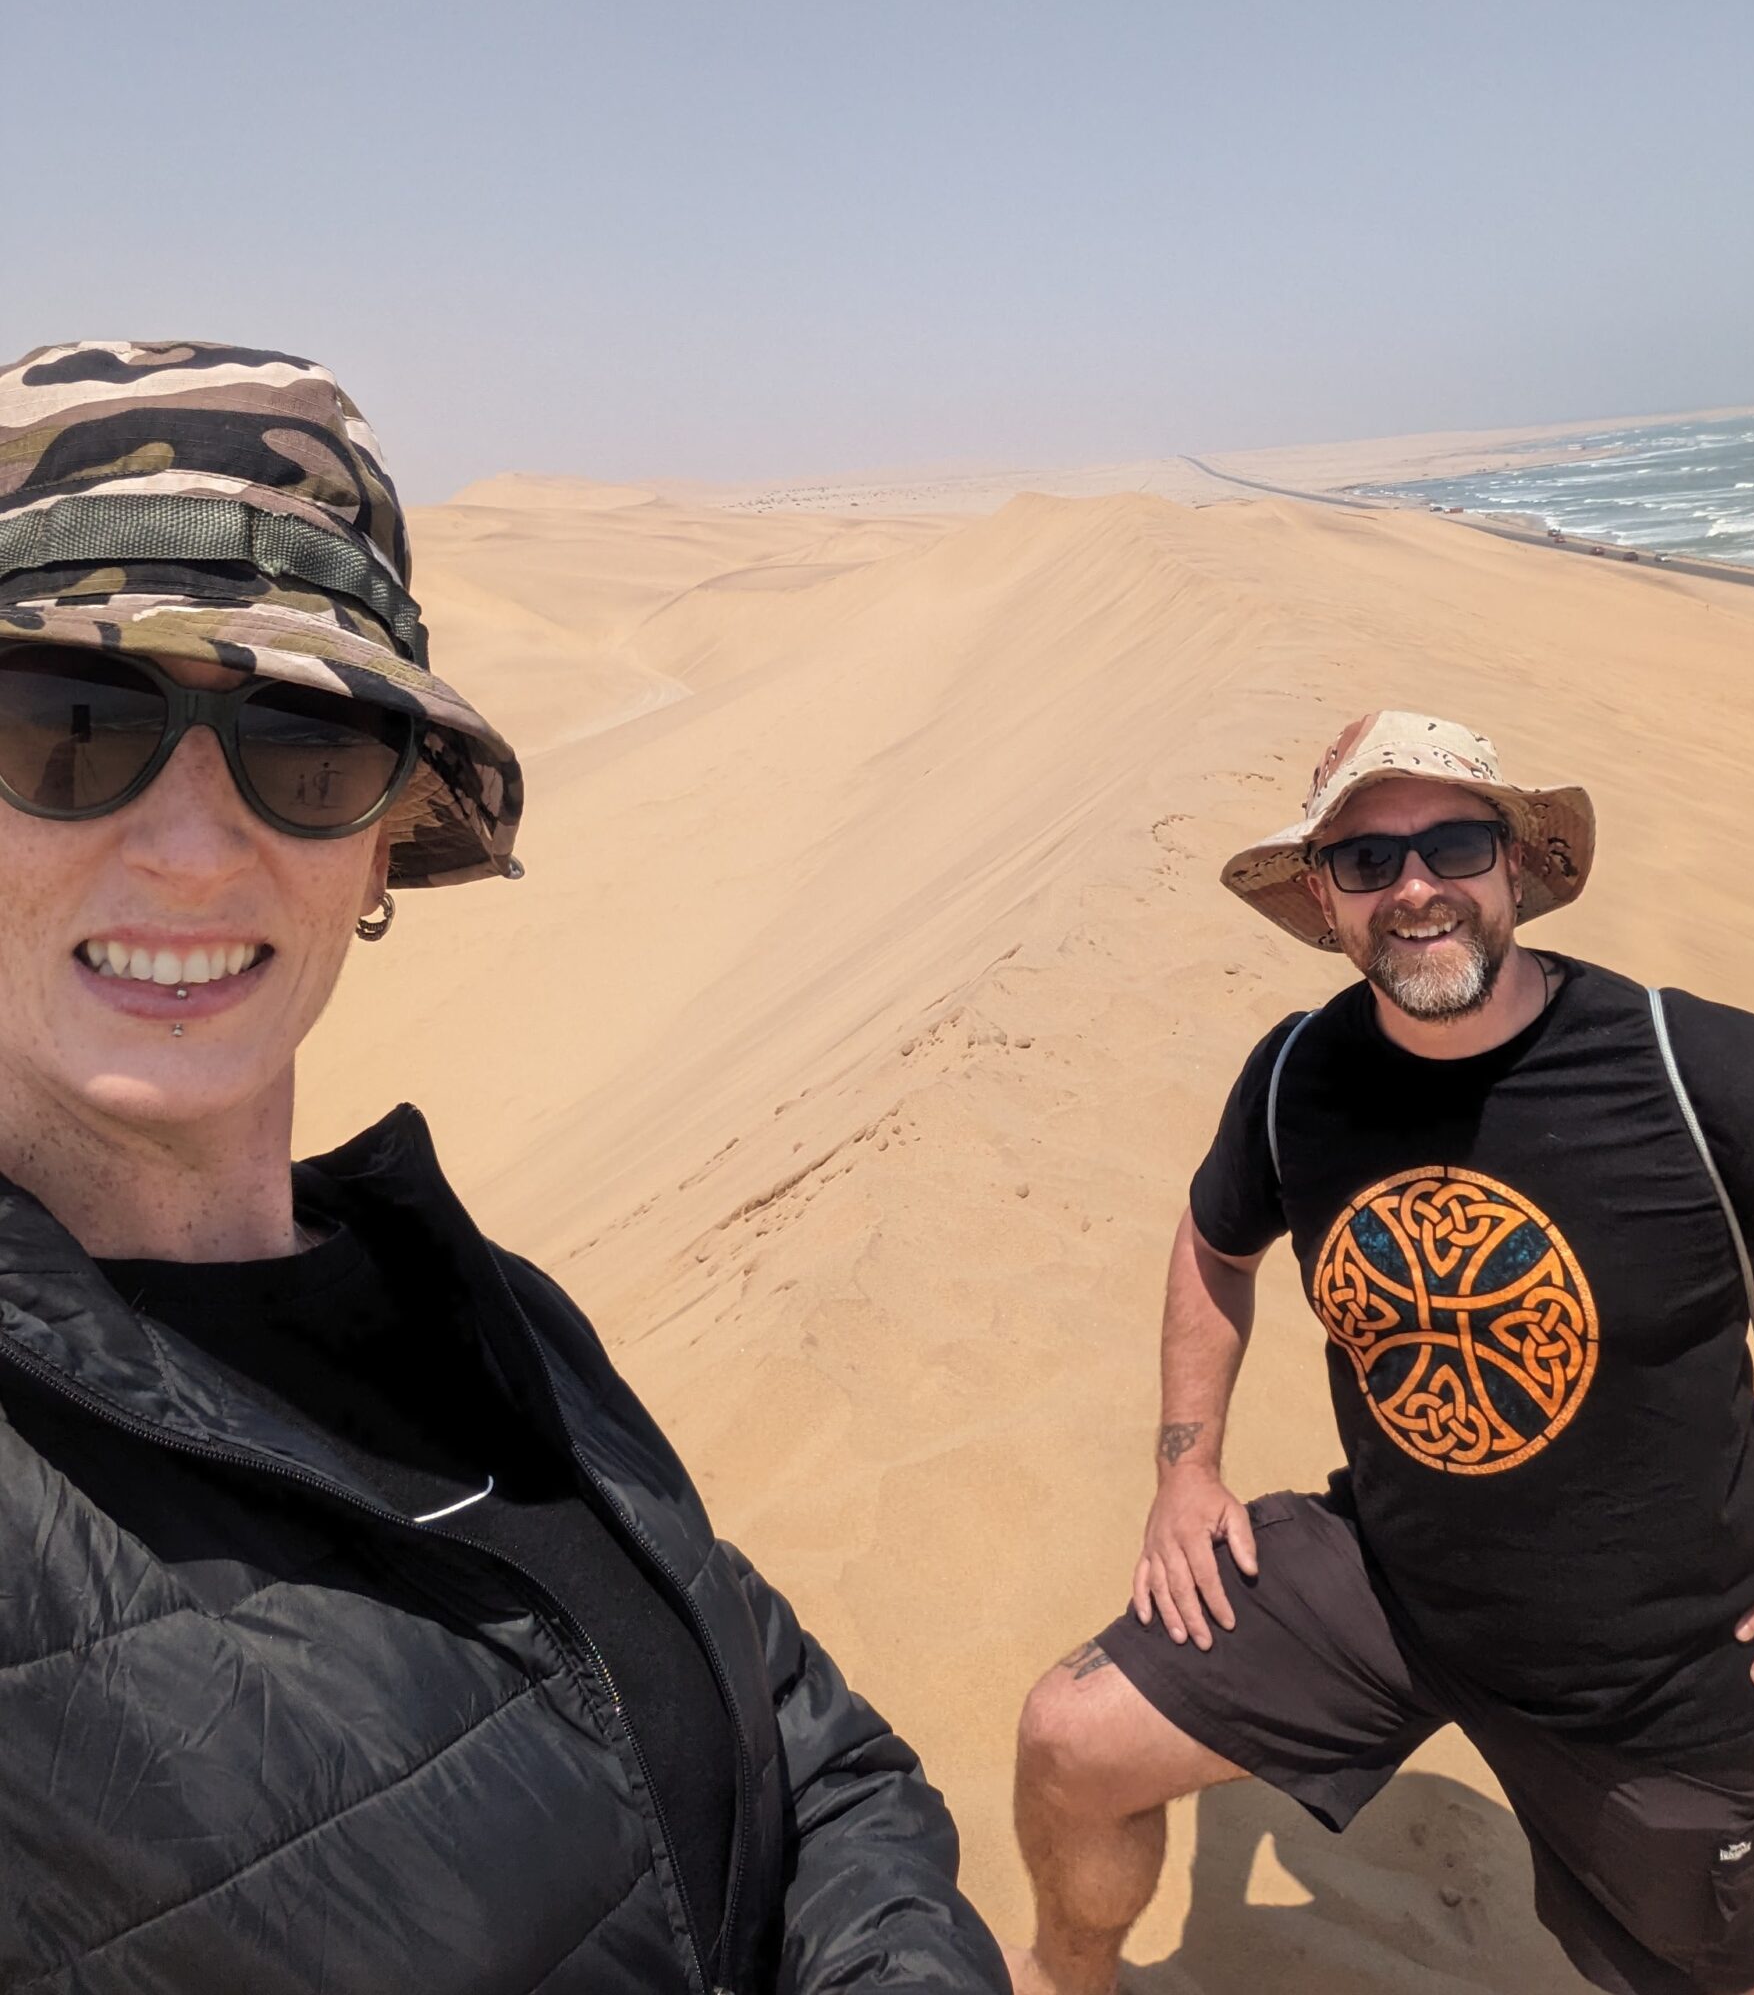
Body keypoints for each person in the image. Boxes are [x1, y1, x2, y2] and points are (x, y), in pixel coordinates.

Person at [0, 339, 1009, 1995]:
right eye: (68, 724)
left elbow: (813, 1756)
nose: (190, 846)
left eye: (306, 743)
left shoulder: (489, 1314)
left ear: (383, 839)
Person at [1007, 710, 1754, 1995]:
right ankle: (1064, 1978)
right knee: (1072, 1740)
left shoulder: (1689, 1066)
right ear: (1323, 899)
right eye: (1369, 861)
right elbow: (1216, 1243)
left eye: (1453, 842)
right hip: (1394, 1585)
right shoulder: (1297, 1078)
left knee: (1729, 1974)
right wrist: (1185, 1465)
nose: (1418, 887)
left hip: (1656, 1681)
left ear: (1513, 865)